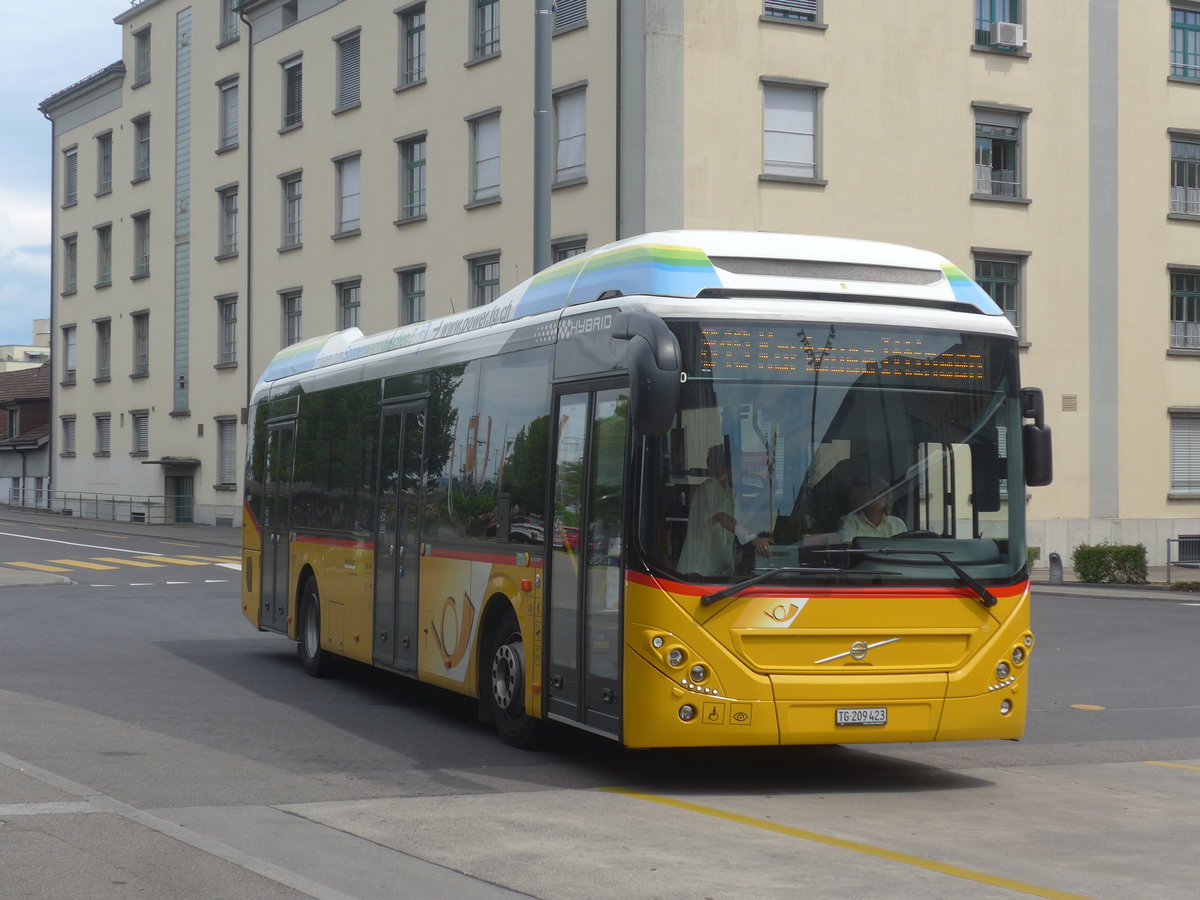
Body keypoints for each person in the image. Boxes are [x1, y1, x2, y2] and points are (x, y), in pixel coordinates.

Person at [677, 446, 772, 576]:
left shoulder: (727, 493)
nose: (743, 472)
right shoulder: (709, 490)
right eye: (739, 467)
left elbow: (740, 522)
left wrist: (764, 495)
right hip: (698, 571)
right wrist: (753, 538)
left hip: (717, 571)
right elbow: (723, 518)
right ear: (723, 469)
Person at [839, 479, 907, 541]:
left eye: (880, 493)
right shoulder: (849, 522)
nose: (876, 498)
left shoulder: (897, 523)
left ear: (887, 498)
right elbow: (848, 551)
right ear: (861, 498)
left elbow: (904, 551)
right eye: (871, 493)